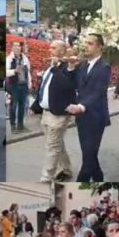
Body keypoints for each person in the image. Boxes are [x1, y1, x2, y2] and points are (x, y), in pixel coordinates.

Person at [65, 34, 111, 181]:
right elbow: (73, 84)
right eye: (85, 43)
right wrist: (71, 67)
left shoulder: (104, 67)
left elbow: (98, 92)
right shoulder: (83, 65)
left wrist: (82, 106)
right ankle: (99, 178)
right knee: (88, 154)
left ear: (99, 47)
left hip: (96, 117)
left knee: (89, 155)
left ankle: (81, 182)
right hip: (82, 117)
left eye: (90, 44)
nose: (86, 46)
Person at [30, 40, 77, 181]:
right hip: (46, 112)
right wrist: (35, 106)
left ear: (63, 50)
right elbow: (44, 87)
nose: (50, 50)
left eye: (54, 48)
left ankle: (46, 177)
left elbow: (67, 85)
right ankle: (66, 169)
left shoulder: (68, 67)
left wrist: (56, 67)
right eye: (50, 47)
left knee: (52, 146)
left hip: (59, 114)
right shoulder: (51, 65)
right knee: (57, 143)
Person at [6, 42, 31, 133]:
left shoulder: (24, 58)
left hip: (24, 85)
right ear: (12, 48)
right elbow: (6, 72)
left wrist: (29, 84)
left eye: (19, 46)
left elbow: (28, 72)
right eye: (15, 46)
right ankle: (13, 126)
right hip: (14, 85)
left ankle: (20, 125)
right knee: (13, 105)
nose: (18, 48)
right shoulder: (9, 59)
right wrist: (14, 71)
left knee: (22, 106)